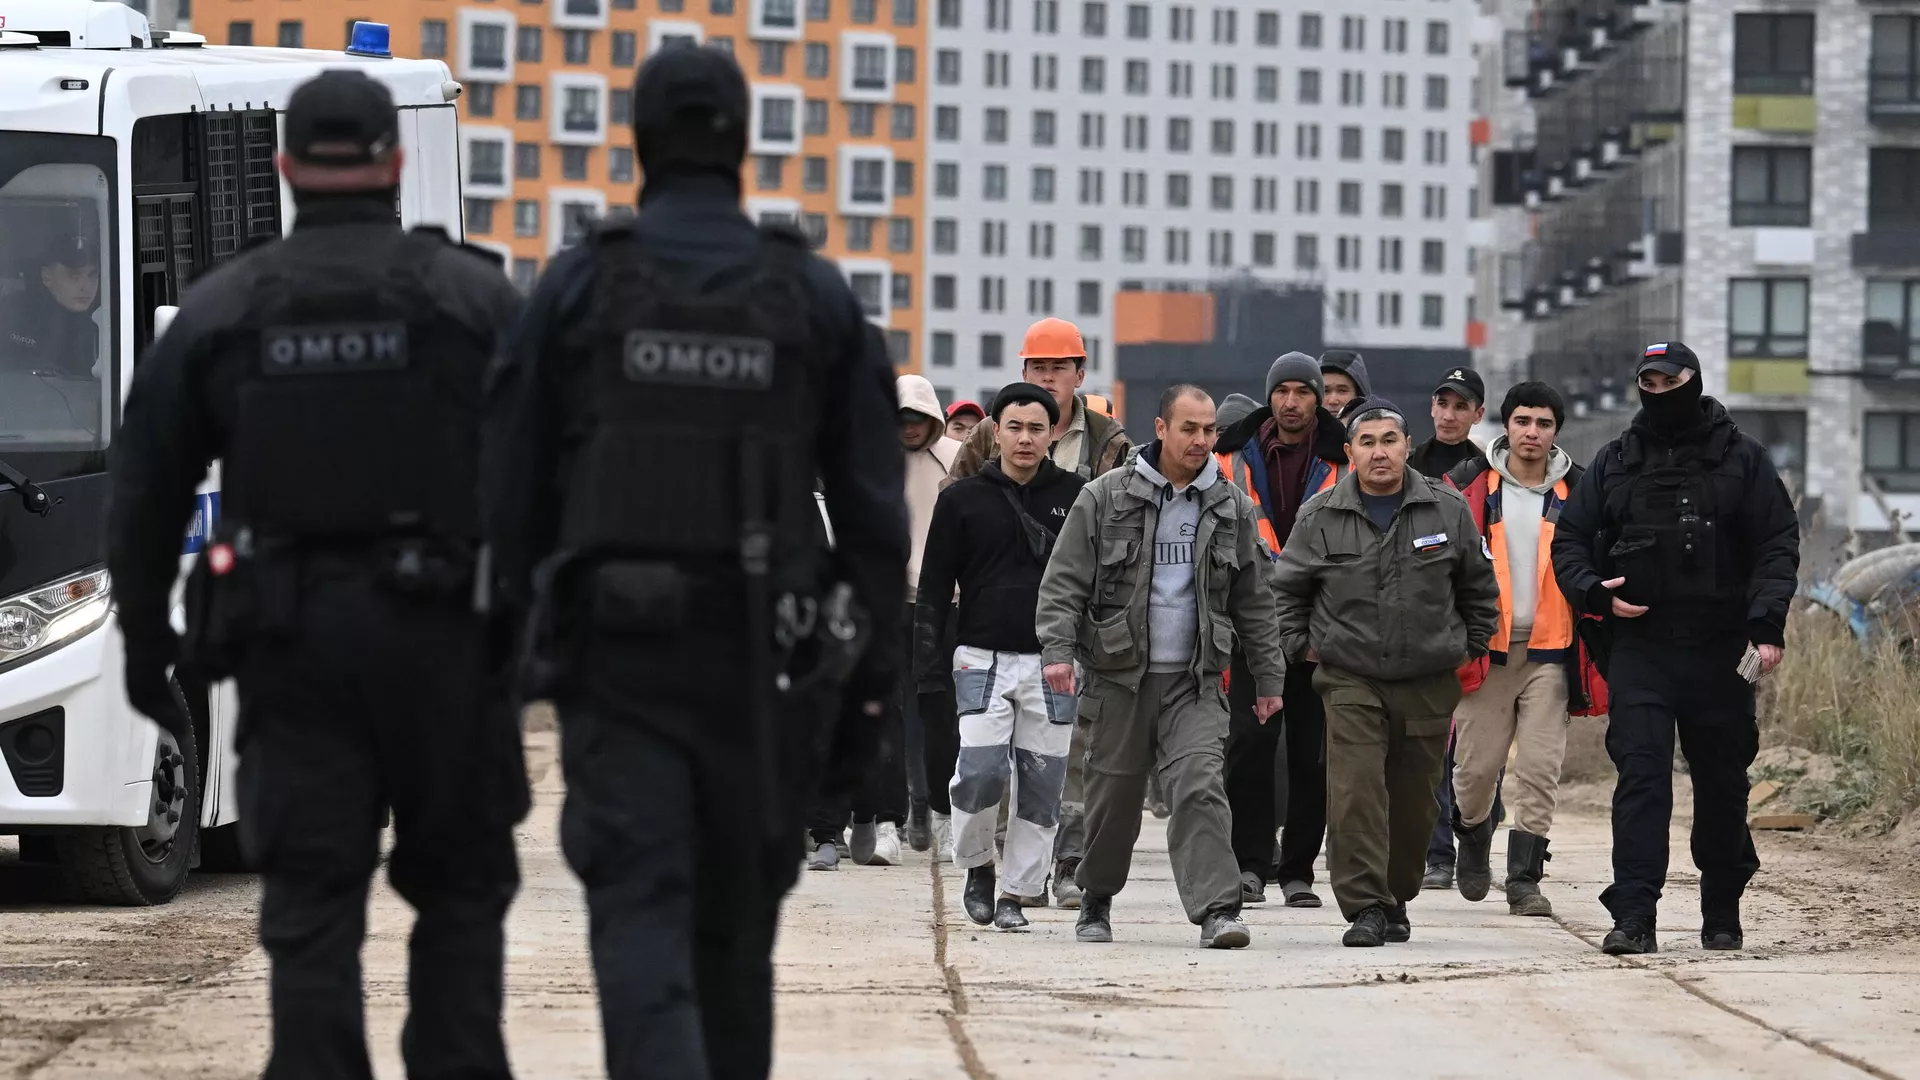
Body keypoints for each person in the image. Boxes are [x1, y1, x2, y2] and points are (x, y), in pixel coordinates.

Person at [483, 47, 908, 1079]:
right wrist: (865, 716)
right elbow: (876, 533)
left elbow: (506, 499)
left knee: (641, 926)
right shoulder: (811, 299)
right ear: (745, 144)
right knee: (734, 949)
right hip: (765, 675)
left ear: (634, 140)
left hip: (617, 671)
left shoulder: (578, 285)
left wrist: (500, 676)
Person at [105, 70, 529, 1079]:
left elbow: (142, 488)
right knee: (462, 901)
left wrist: (143, 648)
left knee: (310, 913)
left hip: (292, 652)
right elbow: (555, 472)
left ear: (287, 167)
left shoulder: (226, 307)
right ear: (392, 165)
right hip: (447, 651)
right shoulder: (478, 301)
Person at [1551, 341, 1799, 956]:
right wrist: (1595, 595)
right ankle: (1634, 915)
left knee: (1721, 784)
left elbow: (1777, 543)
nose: (1658, 392)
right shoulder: (1614, 461)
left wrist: (1766, 627)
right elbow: (1571, 543)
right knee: (1642, 780)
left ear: (1692, 381)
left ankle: (1722, 910)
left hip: (1722, 650)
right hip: (1642, 648)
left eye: (1670, 381)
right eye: (1648, 382)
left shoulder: (1742, 458)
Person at [1035, 384, 1284, 950]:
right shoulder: (1104, 497)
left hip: (1194, 682)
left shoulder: (1230, 506)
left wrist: (1269, 680)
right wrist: (1056, 653)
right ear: (1161, 428)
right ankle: (1095, 900)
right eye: (1190, 429)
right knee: (1112, 801)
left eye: (1209, 431)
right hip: (1118, 679)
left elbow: (1255, 601)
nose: (1201, 441)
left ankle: (1218, 910)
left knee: (1199, 787)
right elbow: (1063, 583)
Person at [1272, 398, 1500, 947]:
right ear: (1349, 452)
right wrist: (1304, 648)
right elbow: (1287, 592)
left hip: (1427, 680)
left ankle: (1396, 895)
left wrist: (1463, 647)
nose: (1379, 452)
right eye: (1367, 442)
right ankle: (1365, 905)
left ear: (1406, 446)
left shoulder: (1446, 509)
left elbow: (1479, 590)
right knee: (1354, 793)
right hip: (1350, 679)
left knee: (1416, 802)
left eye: (1389, 441)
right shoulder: (1320, 514)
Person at [946, 315, 1134, 908]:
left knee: (1070, 755)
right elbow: (958, 507)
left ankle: (1070, 861)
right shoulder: (991, 434)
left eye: (1058, 368)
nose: (1047, 377)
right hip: (994, 625)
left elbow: (1123, 524)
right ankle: (1002, 861)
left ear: (1080, 373)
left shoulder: (1109, 441)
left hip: (1077, 623)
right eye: (1037, 368)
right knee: (991, 758)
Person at [914, 383, 1088, 930]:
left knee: (1042, 785)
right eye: (1014, 427)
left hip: (1054, 663)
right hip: (980, 658)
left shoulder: (1078, 496)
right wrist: (927, 662)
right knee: (980, 773)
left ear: (1052, 434)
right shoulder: (961, 498)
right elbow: (936, 587)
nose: (1025, 438)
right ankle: (977, 867)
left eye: (1037, 428)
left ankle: (1016, 892)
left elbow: (1094, 580)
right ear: (994, 430)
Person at [1446, 381, 1598, 917]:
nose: (1532, 433)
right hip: (1486, 653)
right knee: (1474, 771)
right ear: (1505, 426)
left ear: (1556, 431)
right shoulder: (1466, 488)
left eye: (1544, 424)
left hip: (1552, 654)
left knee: (1539, 769)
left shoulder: (1579, 492)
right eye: (1523, 422)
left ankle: (1525, 880)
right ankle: (1473, 834)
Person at [1212, 352, 1346, 909]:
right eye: (1282, 391)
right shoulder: (1228, 457)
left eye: (1303, 392)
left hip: (1321, 627)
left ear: (1319, 398)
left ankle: (1297, 871)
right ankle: (1250, 863)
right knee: (1250, 743)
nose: (1291, 402)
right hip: (1251, 623)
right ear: (1270, 397)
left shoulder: (1345, 457)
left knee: (1313, 751)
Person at [803, 376, 952, 870]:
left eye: (918, 419)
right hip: (882, 602)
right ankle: (884, 821)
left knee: (938, 716)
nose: (909, 428)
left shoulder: (956, 460)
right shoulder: (866, 463)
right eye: (900, 418)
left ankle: (936, 812)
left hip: (941, 602)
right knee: (883, 713)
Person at [1409, 365, 1493, 890]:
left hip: (1474, 624)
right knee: (1431, 743)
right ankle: (1437, 852)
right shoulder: (1407, 465)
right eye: (1443, 402)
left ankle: (1474, 831)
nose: (1449, 413)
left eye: (1461, 405)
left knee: (1476, 747)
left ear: (1478, 414)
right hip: (1422, 619)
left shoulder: (1491, 473)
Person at [1, 235, 102, 378]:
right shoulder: (15, 313)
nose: (86, 286)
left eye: (93, 275)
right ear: (46, 277)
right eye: (74, 276)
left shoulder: (107, 320)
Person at [1319, 349, 1373, 419]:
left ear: (1359, 395)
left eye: (1342, 391)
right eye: (1325, 391)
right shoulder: (1302, 427)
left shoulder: (1382, 428)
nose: (1332, 401)